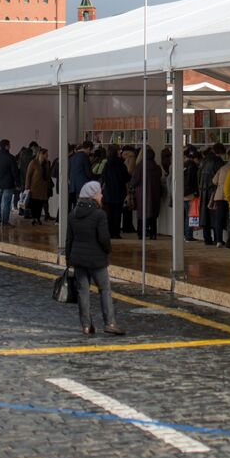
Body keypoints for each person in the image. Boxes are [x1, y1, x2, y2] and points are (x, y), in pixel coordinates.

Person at [66, 181, 124, 336]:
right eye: (99, 193)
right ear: (93, 195)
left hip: (78, 260)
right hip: (97, 260)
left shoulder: (72, 214)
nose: (102, 195)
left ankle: (86, 326)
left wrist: (69, 260)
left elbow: (69, 240)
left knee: (83, 292)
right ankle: (110, 323)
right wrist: (108, 251)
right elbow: (104, 238)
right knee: (104, 289)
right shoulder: (100, 215)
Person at [131, 146, 163, 240]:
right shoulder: (157, 167)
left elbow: (134, 181)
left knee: (142, 214)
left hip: (142, 194)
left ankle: (141, 233)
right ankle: (153, 233)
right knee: (153, 214)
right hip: (155, 194)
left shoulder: (140, 167)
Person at [100, 146, 131, 239]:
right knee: (117, 214)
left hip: (108, 192)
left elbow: (103, 178)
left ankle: (109, 232)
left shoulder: (107, 164)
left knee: (109, 214)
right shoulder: (121, 165)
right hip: (119, 191)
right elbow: (126, 178)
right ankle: (116, 233)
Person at [198, 145, 225, 247]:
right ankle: (217, 239)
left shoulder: (203, 161)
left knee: (205, 216)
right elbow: (219, 178)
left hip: (203, 191)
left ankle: (207, 239)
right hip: (213, 191)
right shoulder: (218, 161)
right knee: (215, 216)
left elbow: (198, 176)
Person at [0, 139, 20, 230]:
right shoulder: (11, 158)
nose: (10, 147)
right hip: (8, 185)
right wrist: (18, 183)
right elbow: (15, 172)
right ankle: (5, 222)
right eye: (9, 145)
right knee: (7, 203)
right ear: (6, 146)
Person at [209, 150, 230, 248]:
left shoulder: (222, 168)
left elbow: (214, 181)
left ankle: (218, 240)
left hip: (219, 196)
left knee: (219, 219)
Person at [25, 147, 51, 225]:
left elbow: (48, 176)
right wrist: (27, 186)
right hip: (34, 187)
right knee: (34, 203)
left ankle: (38, 218)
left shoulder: (46, 163)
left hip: (43, 187)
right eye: (46, 154)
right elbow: (28, 175)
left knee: (40, 203)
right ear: (41, 154)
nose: (47, 155)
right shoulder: (33, 162)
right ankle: (34, 218)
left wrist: (48, 186)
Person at [181, 147, 200, 242]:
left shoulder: (182, 165)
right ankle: (188, 235)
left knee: (184, 215)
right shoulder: (193, 166)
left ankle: (184, 234)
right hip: (190, 194)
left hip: (182, 194)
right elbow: (193, 181)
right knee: (190, 215)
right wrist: (196, 192)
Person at [67, 143, 92, 213]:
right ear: (88, 148)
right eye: (90, 150)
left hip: (73, 186)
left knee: (76, 205)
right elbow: (88, 173)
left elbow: (69, 172)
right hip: (83, 185)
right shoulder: (85, 157)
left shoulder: (72, 157)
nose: (90, 152)